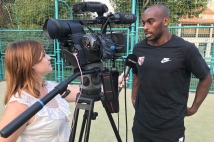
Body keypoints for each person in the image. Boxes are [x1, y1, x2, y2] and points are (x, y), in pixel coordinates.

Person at [0, 40, 126, 142]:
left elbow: (84, 92)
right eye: (44, 55)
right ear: (29, 63)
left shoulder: (51, 87)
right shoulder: (19, 105)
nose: (49, 57)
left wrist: (116, 82)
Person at [131, 4, 212, 142]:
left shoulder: (185, 49)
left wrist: (193, 108)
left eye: (151, 22)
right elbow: (137, 74)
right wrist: (134, 98)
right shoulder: (139, 48)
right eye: (144, 23)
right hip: (141, 127)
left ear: (166, 21)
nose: (145, 27)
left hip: (170, 130)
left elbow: (206, 77)